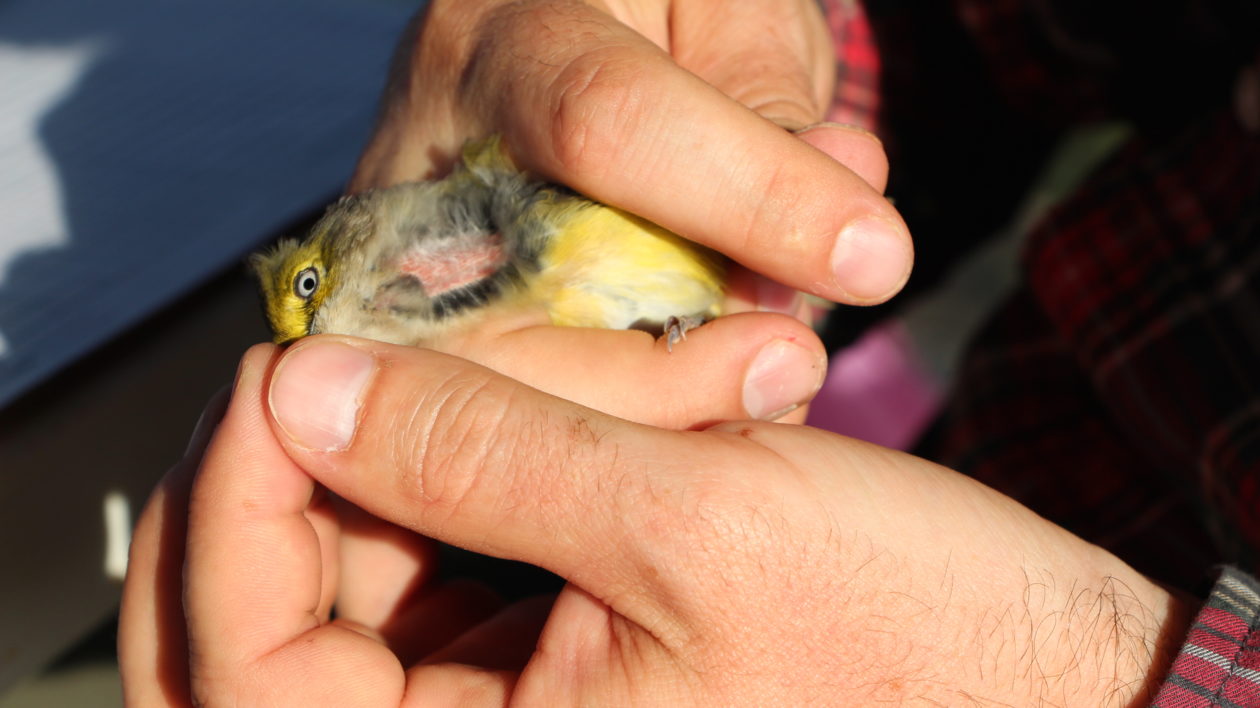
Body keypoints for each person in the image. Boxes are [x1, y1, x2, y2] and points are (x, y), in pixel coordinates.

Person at [117, 0, 1260, 705]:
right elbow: (988, 34)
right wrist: (714, 60)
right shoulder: (441, 248)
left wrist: (1087, 686)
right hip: (943, 476)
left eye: (311, 293)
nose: (310, 330)